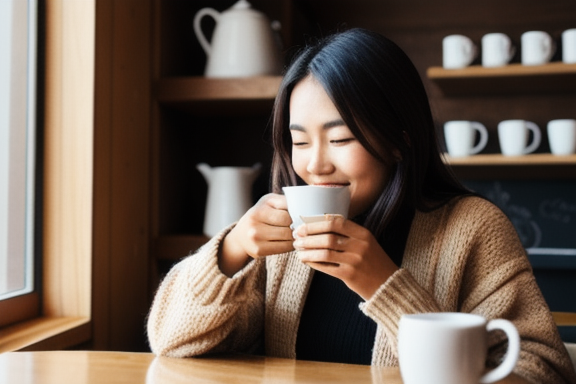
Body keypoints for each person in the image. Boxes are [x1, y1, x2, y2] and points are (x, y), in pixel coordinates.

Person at [147, 28, 576, 383]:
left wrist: (383, 284)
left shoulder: (473, 228)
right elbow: (172, 341)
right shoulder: (279, 242)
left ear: (398, 140)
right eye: (299, 141)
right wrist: (232, 249)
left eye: (340, 139)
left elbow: (544, 372)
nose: (314, 164)